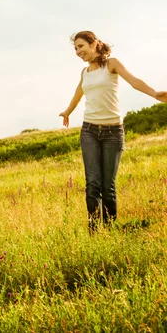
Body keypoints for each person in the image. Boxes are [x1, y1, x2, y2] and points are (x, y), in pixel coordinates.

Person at [59, 30, 167, 232]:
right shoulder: (85, 73)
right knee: (93, 183)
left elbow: (134, 81)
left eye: (81, 46)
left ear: (94, 44)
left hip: (113, 132)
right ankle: (94, 232)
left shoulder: (112, 64)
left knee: (108, 186)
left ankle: (110, 231)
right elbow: (77, 97)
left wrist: (154, 94)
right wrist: (67, 112)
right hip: (89, 131)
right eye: (75, 48)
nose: (77, 51)